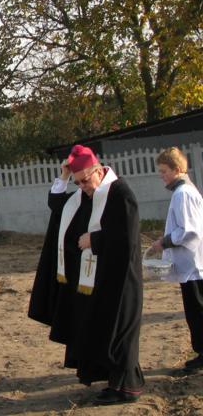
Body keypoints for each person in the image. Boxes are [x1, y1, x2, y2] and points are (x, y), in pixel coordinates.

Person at [28, 144, 144, 405]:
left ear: (98, 171)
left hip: (120, 279)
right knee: (99, 330)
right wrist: (64, 176)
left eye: (85, 181)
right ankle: (115, 384)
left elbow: (128, 236)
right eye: (78, 182)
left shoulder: (120, 193)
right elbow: (57, 206)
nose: (83, 187)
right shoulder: (84, 197)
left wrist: (94, 240)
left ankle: (128, 388)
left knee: (119, 332)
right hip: (96, 281)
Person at [149, 147, 203, 373]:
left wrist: (164, 242)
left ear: (178, 169)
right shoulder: (184, 191)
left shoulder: (183, 194)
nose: (161, 175)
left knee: (197, 311)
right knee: (196, 310)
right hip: (192, 264)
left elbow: (189, 231)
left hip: (193, 265)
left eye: (164, 171)